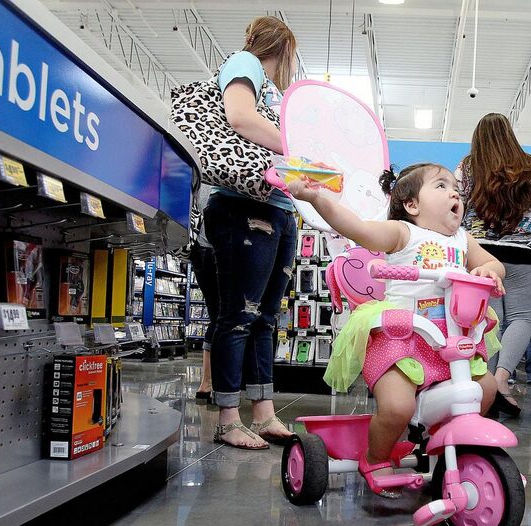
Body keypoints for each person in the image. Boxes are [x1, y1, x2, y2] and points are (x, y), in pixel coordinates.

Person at [288, 163, 504, 497]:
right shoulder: (404, 233)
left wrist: (489, 272)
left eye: (456, 189)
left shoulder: (464, 238)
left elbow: (494, 263)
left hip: (449, 339)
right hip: (401, 338)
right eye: (442, 186)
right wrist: (317, 198)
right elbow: (357, 229)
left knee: (485, 388)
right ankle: (375, 457)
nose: (454, 193)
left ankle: (442, 442)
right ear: (412, 205)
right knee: (397, 408)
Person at [202, 16, 297, 449]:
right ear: (285, 49)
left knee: (265, 318)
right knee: (239, 314)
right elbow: (238, 117)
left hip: (276, 208)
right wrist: (297, 147)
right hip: (244, 207)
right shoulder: (246, 63)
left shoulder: (276, 92)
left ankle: (262, 412)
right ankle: (227, 417)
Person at [456, 113, 531, 416]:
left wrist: (463, 240)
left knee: (490, 320)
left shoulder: (467, 167)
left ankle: (484, 389)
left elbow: (455, 207)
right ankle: (502, 381)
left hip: (480, 254)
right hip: (524, 254)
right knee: (522, 319)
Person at [189, 186, 219, 403]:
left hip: (203, 249)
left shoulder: (199, 177)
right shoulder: (218, 182)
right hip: (216, 250)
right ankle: (211, 381)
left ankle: (207, 381)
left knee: (216, 316)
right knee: (222, 316)